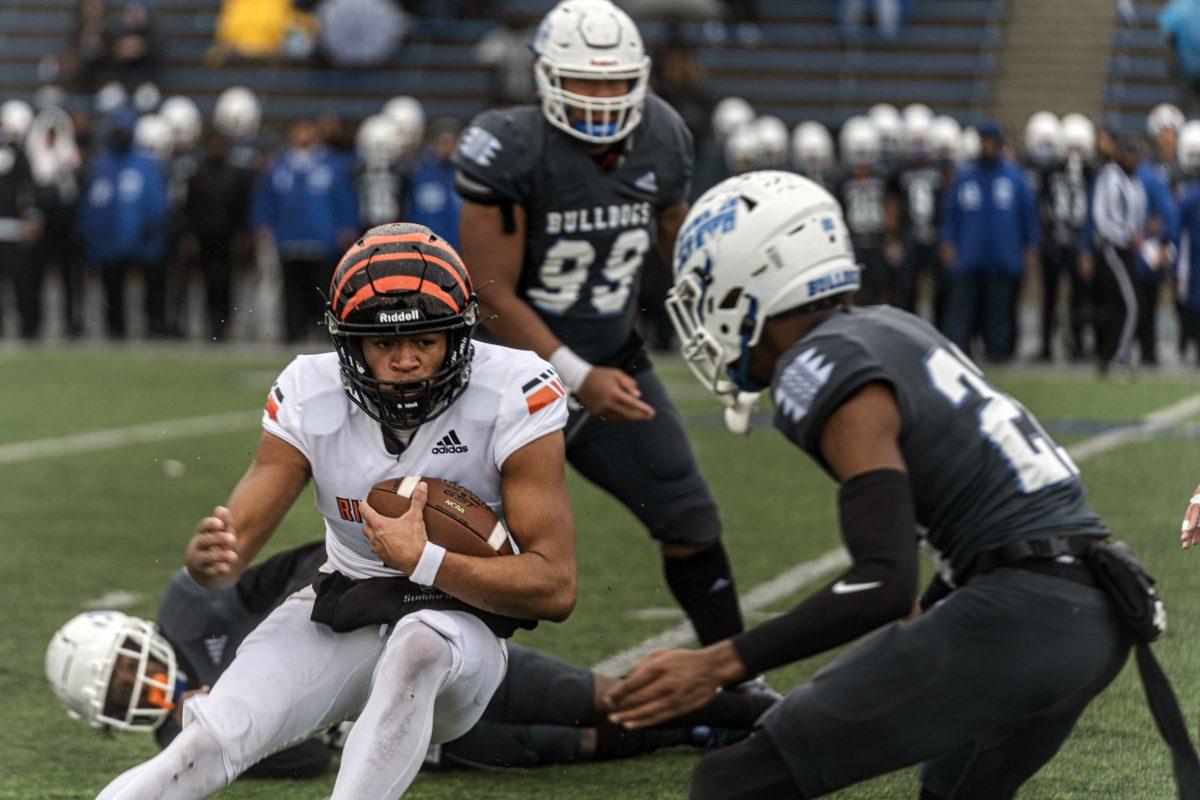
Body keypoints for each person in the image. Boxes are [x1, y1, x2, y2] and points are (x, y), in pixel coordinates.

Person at [607, 170, 1135, 799]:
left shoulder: (818, 365)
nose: (701, 315)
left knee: (731, 783)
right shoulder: (889, 324)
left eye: (704, 290)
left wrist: (717, 663)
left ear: (752, 279)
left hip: (1019, 612)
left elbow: (884, 581)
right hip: (1097, 613)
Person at [90, 222, 578, 800]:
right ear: (349, 346)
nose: (405, 361)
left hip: (462, 626)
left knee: (419, 643)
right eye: (383, 343)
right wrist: (210, 559)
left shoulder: (514, 390)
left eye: (424, 341)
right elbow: (235, 540)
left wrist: (424, 559)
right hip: (348, 600)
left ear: (459, 336)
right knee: (215, 733)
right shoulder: (308, 391)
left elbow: (555, 586)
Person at [453, 0, 750, 655]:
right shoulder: (511, 145)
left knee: (690, 518)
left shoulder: (664, 133)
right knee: (464, 544)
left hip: (616, 358)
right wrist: (578, 377)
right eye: (584, 81)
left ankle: (735, 674)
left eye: (615, 81)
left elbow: (677, 232)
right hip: (503, 382)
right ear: (546, 77)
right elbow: (492, 292)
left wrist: (726, 307)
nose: (601, 97)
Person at [47, 541, 772, 779]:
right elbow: (307, 762)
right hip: (398, 726)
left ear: (139, 633)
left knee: (601, 696)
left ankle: (759, 710)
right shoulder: (181, 743)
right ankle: (693, 731)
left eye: (126, 664)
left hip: (419, 644)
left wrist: (367, 603)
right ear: (111, 721)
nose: (140, 683)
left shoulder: (192, 607)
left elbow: (298, 567)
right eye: (120, 693)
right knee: (557, 747)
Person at [251, 118, 359, 343]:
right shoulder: (279, 165)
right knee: (291, 288)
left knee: (319, 288)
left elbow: (344, 198)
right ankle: (292, 330)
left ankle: (320, 330)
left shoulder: (332, 164)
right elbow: (265, 199)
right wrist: (263, 223)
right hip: (289, 237)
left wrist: (346, 226)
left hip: (320, 238)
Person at [940, 121, 1038, 362]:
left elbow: (1028, 215)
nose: (987, 147)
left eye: (992, 142)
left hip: (1002, 256)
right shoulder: (965, 177)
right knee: (962, 310)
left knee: (999, 310)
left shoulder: (1014, 178)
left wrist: (1031, 245)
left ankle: (999, 354)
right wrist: (948, 240)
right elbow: (950, 213)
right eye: (984, 142)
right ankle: (959, 352)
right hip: (969, 255)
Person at [76, 106, 169, 339]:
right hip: (110, 244)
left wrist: (151, 228)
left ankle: (153, 325)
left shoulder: (146, 164)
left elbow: (156, 202)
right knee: (113, 290)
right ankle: (116, 327)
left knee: (151, 289)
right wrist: (88, 233)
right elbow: (92, 204)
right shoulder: (102, 165)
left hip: (143, 242)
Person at [1088, 135, 1147, 374]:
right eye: (1129, 155)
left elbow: (1135, 214)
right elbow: (1103, 217)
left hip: (1126, 249)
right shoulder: (1111, 177)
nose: (1133, 159)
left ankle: (1112, 356)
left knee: (1124, 304)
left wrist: (1140, 232)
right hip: (1113, 248)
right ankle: (1115, 358)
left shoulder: (1133, 180)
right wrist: (1126, 236)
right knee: (1130, 304)